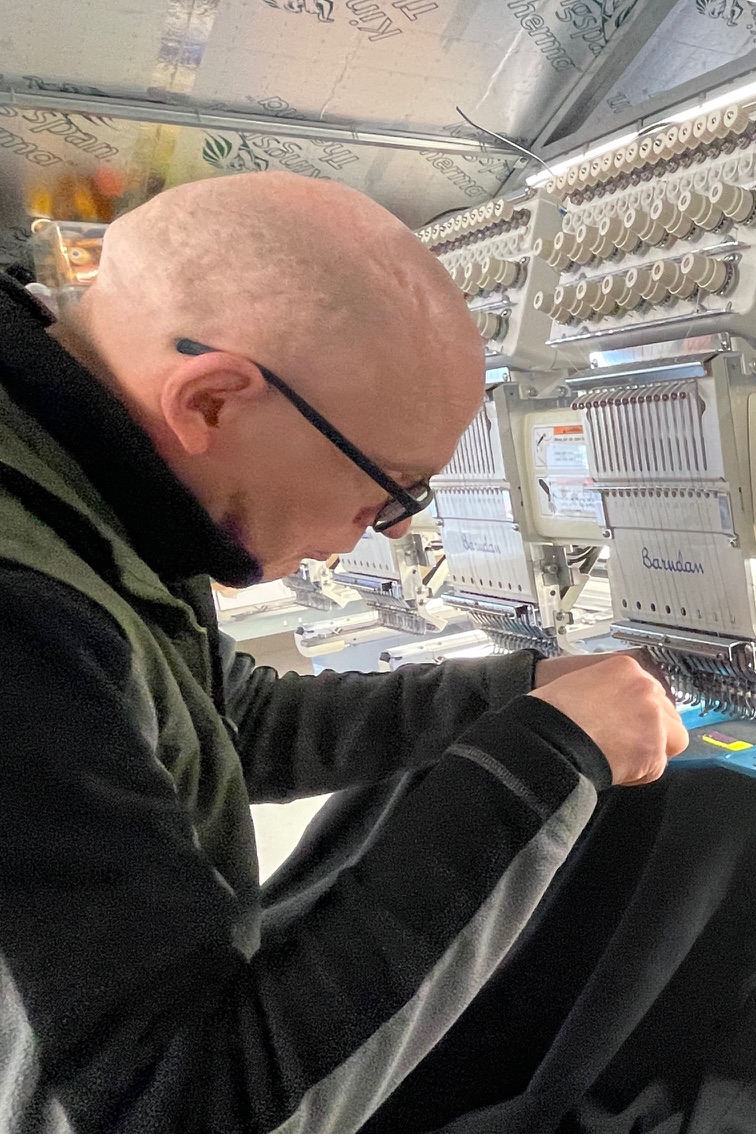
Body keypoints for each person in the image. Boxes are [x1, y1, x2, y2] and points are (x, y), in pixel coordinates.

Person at [0, 171, 689, 1132]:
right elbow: (185, 1105)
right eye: (388, 487)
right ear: (209, 404)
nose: (397, 533)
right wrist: (540, 762)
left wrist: (520, 688)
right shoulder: (24, 617)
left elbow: (221, 724)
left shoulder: (85, 486)